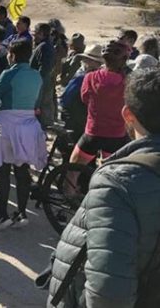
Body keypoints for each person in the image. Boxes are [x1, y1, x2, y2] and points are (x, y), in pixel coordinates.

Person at [48, 68, 160, 308]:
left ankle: (67, 191)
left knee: (74, 167)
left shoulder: (118, 184)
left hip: (92, 134)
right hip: (114, 141)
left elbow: (108, 294)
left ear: (128, 115)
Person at [0, 39, 46, 230]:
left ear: (11, 55)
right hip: (29, 126)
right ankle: (21, 214)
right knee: (22, 172)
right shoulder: (37, 76)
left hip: (8, 125)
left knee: (2, 171)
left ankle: (2, 216)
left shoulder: (9, 73)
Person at [68, 41, 131, 169]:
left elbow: (85, 99)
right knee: (109, 172)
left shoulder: (90, 77)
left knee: (72, 170)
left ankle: (70, 189)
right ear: (123, 60)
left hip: (93, 131)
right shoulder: (128, 82)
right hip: (117, 134)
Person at [60, 44, 103, 142]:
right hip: (93, 121)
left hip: (76, 119)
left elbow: (65, 99)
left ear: (90, 61)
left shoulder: (81, 78)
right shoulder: (101, 78)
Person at [31, 22, 56, 126]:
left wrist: (36, 84)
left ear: (41, 33)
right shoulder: (44, 46)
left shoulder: (44, 47)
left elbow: (44, 69)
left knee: (38, 111)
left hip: (40, 85)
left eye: (35, 33)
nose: (34, 36)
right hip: (41, 83)